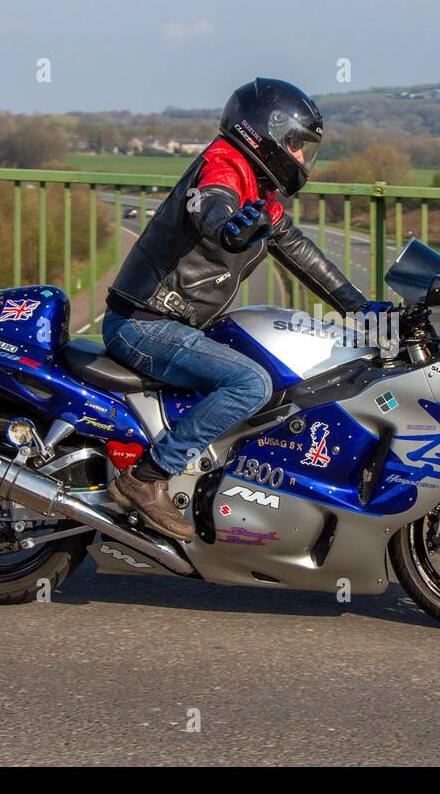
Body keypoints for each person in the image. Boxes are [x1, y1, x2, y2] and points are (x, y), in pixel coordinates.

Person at [102, 78, 389, 541]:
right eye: (296, 145)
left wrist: (362, 308)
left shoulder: (261, 192)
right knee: (250, 382)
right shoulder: (224, 165)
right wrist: (228, 225)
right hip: (145, 322)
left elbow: (299, 251)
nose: (300, 157)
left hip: (177, 322)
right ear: (266, 132)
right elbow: (211, 205)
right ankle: (147, 478)